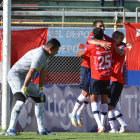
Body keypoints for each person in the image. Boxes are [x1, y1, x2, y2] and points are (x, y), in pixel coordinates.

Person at [5, 38, 61, 136]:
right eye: (56, 50)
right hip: (15, 75)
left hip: (24, 77)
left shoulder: (48, 55)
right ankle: (10, 130)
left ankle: (41, 130)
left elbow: (43, 72)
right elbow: (31, 72)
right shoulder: (39, 55)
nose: (57, 52)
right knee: (21, 98)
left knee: (40, 99)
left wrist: (40, 89)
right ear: (51, 49)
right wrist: (24, 88)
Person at [69, 21, 111, 127]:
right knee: (86, 93)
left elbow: (114, 42)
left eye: (103, 26)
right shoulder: (92, 37)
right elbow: (89, 42)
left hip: (97, 70)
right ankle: (73, 113)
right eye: (99, 26)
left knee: (91, 94)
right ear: (94, 28)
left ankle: (78, 114)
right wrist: (100, 43)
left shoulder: (105, 37)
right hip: (87, 67)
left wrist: (123, 44)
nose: (102, 27)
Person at [77, 28, 115, 132]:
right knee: (104, 101)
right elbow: (114, 46)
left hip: (96, 77)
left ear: (93, 36)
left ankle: (100, 125)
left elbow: (79, 55)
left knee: (93, 100)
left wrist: (81, 50)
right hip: (107, 77)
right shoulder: (110, 45)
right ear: (103, 35)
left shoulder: (91, 47)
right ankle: (102, 125)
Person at [108, 31, 128, 133]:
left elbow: (119, 52)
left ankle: (119, 126)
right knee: (110, 105)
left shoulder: (121, 48)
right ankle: (118, 127)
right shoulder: (112, 48)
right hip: (110, 79)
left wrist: (110, 44)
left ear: (121, 39)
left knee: (110, 105)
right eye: (112, 36)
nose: (113, 38)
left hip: (116, 80)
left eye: (116, 37)